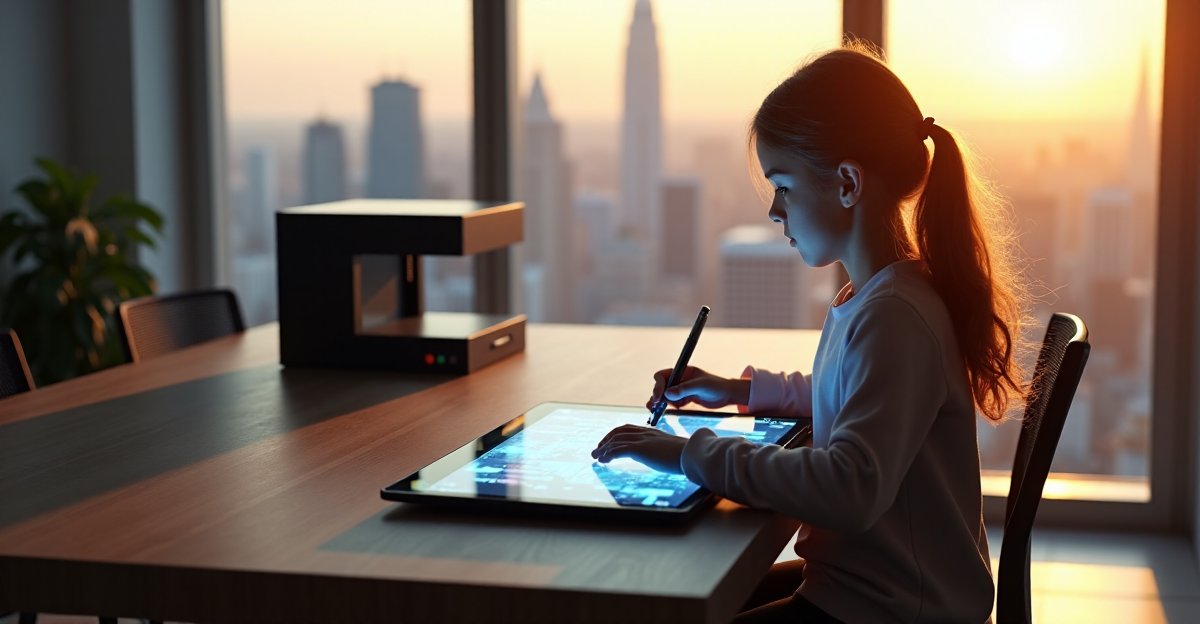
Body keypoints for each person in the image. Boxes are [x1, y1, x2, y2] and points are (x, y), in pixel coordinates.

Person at [592, 44, 1030, 624]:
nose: (775, 210)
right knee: (682, 597)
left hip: (892, 609)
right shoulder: (880, 295)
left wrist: (687, 454)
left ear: (847, 182)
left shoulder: (894, 314)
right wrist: (738, 391)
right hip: (870, 586)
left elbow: (851, 487)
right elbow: (849, 396)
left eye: (783, 185)